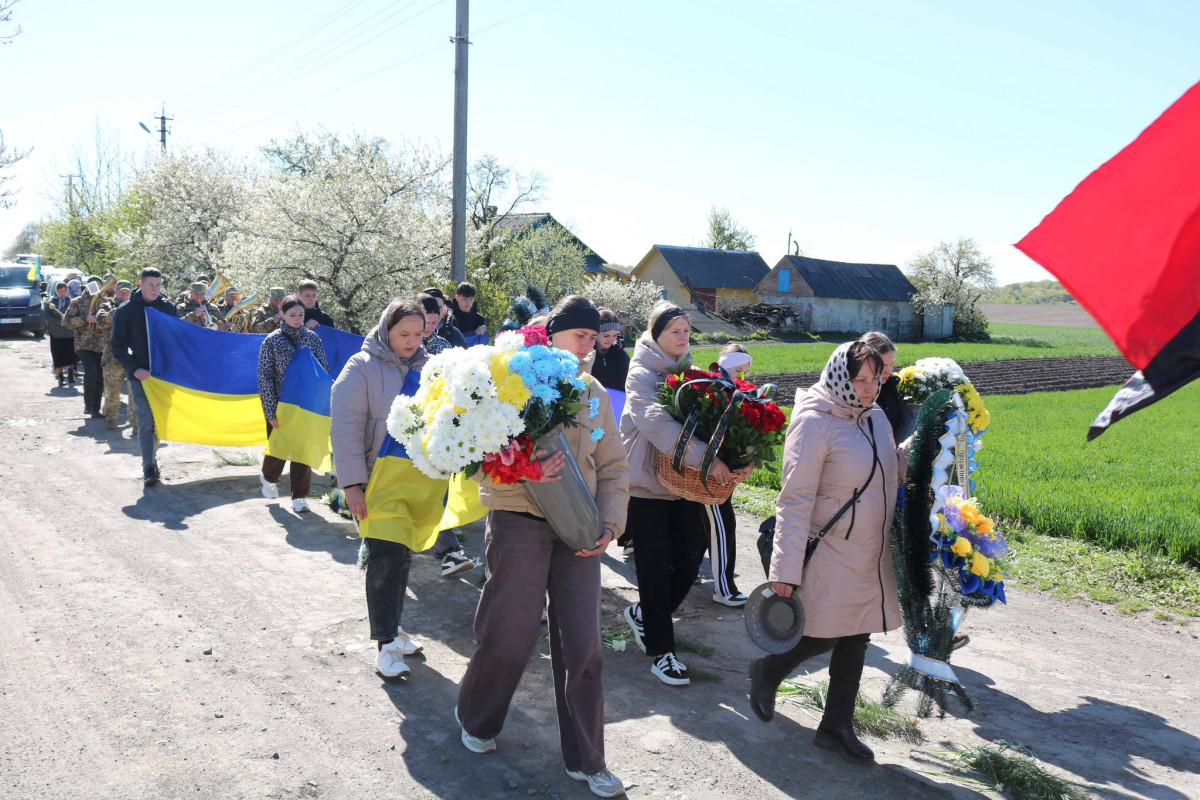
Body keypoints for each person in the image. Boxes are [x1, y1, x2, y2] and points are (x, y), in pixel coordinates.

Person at [456, 295, 629, 799]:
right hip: (520, 519)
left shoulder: (593, 392)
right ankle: (479, 719)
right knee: (509, 631)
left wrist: (611, 523)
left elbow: (615, 466)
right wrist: (524, 470)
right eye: (580, 337)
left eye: (595, 339)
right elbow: (484, 452)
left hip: (580, 531)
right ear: (552, 335)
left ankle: (587, 759)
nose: (588, 348)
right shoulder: (512, 380)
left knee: (584, 644)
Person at [747, 341, 907, 764]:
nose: (872, 387)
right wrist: (785, 566)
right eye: (862, 380)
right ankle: (769, 670)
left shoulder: (874, 417)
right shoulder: (814, 421)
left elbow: (884, 470)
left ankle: (836, 725)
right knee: (823, 631)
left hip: (869, 550)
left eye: (877, 378)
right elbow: (794, 499)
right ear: (841, 376)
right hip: (830, 548)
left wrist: (927, 447)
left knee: (857, 635)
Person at [619, 302, 751, 686]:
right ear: (655, 334)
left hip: (683, 483)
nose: (683, 337)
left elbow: (714, 423)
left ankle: (644, 614)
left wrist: (739, 456)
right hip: (646, 485)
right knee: (655, 569)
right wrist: (709, 461)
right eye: (675, 330)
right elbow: (656, 424)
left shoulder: (691, 374)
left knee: (691, 562)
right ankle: (662, 652)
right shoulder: (641, 374)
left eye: (686, 330)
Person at [330, 299, 430, 678]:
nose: (411, 341)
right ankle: (385, 644)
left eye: (419, 333)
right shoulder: (361, 368)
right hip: (374, 481)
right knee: (384, 557)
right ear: (386, 329)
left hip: (414, 481)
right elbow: (345, 429)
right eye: (404, 333)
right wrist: (352, 485)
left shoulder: (428, 368)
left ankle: (394, 628)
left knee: (403, 556)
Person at [257, 295, 329, 513]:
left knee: (302, 451)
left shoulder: (313, 338)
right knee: (278, 448)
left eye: (301, 315)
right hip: (281, 405)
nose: (297, 319)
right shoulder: (272, 341)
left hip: (306, 406)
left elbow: (323, 370)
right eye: (292, 315)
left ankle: (299, 496)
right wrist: (270, 411)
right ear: (282, 315)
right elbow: (265, 377)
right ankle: (268, 477)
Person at [110, 268, 179, 487]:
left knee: (159, 422)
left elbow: (178, 339)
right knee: (146, 421)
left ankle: (152, 457)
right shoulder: (126, 311)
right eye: (150, 285)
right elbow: (117, 346)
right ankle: (148, 466)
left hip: (164, 376)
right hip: (140, 375)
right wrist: (134, 368)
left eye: (158, 285)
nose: (155, 290)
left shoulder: (168, 308)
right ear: (140, 284)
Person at [700, 343, 755, 608]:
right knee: (722, 525)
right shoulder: (711, 390)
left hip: (724, 474)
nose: (740, 377)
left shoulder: (743, 394)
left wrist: (750, 462)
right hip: (708, 474)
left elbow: (749, 436)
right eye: (736, 370)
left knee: (708, 527)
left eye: (745, 372)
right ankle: (723, 588)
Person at [62, 277, 109, 419]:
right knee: (91, 372)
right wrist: (85, 320)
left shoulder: (105, 302)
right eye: (94, 285)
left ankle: (96, 408)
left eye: (100, 286)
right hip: (84, 344)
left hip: (101, 345)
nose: (97, 288)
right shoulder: (77, 302)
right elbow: (67, 322)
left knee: (100, 376)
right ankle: (88, 404)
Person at [97, 281, 136, 431]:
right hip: (113, 357)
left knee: (135, 394)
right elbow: (101, 321)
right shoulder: (106, 306)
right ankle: (111, 418)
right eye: (122, 292)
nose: (124, 295)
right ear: (116, 292)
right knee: (112, 392)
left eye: (127, 292)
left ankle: (135, 424)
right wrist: (121, 309)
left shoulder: (136, 307)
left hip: (133, 358)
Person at [859, 331, 902, 439]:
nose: (889, 371)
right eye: (883, 365)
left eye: (891, 364)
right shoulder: (859, 393)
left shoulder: (890, 387)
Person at [43, 281, 78, 387]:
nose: (62, 292)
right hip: (56, 333)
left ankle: (71, 375)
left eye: (64, 290)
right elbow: (46, 316)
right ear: (57, 291)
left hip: (69, 333)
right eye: (60, 290)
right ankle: (61, 377)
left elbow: (77, 314)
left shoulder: (72, 302)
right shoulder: (51, 303)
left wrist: (69, 320)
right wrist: (59, 322)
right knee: (58, 356)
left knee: (71, 355)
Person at [590, 308, 629, 392]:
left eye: (614, 335)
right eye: (606, 336)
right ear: (595, 333)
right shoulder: (586, 354)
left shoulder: (622, 356)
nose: (611, 340)